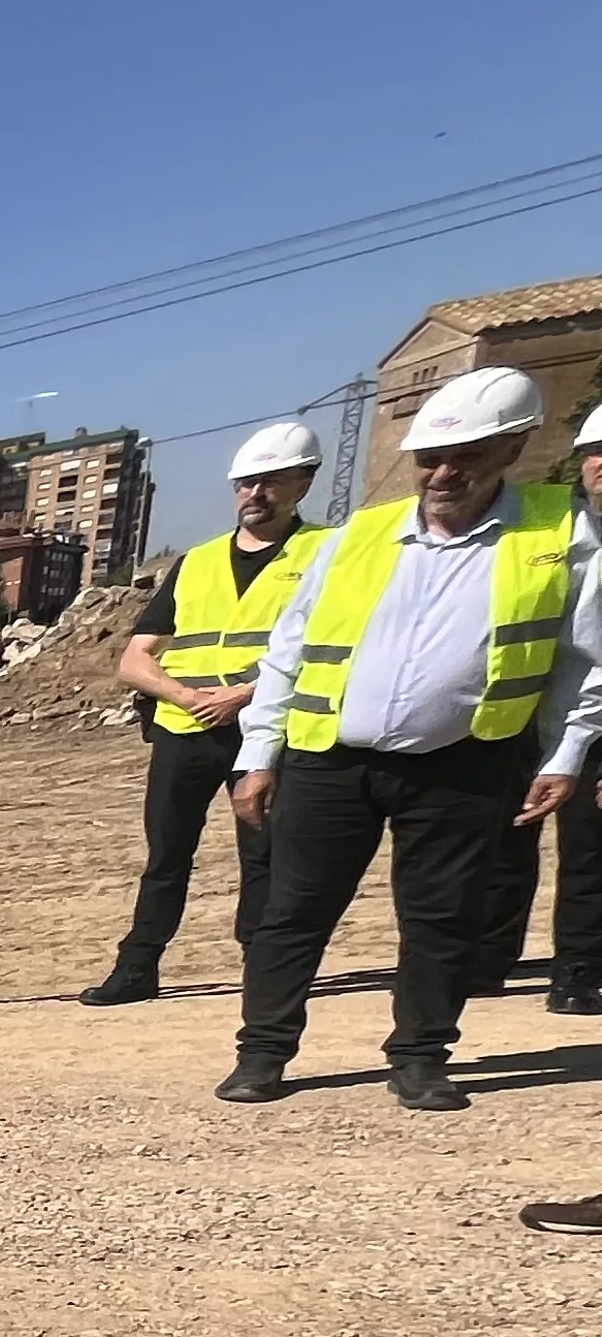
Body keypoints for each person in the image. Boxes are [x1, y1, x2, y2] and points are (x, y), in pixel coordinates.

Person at [222, 367, 602, 1110]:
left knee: (442, 916)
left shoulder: (559, 533)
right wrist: (257, 756)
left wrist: (565, 754)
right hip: (332, 757)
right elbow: (288, 652)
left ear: (514, 448)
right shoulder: (360, 535)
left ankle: (422, 1056)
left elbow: (583, 660)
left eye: (466, 458)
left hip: (463, 763)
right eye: (431, 458)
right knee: (294, 912)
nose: (443, 473)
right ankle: (263, 1051)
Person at [79, 422, 327, 1004]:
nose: (255, 494)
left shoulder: (325, 553)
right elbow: (135, 660)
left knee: (264, 856)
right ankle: (138, 967)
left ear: (303, 482)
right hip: (185, 731)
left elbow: (329, 646)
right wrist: (189, 699)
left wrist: (242, 695)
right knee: (166, 856)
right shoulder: (196, 562)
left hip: (266, 731)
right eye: (245, 483)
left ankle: (262, 969)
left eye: (270, 482)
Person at [474, 403, 602, 1019]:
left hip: (596, 723)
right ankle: (487, 961)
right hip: (521, 709)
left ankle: (577, 973)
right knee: (502, 840)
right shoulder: (552, 529)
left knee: (590, 851)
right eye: (596, 454)